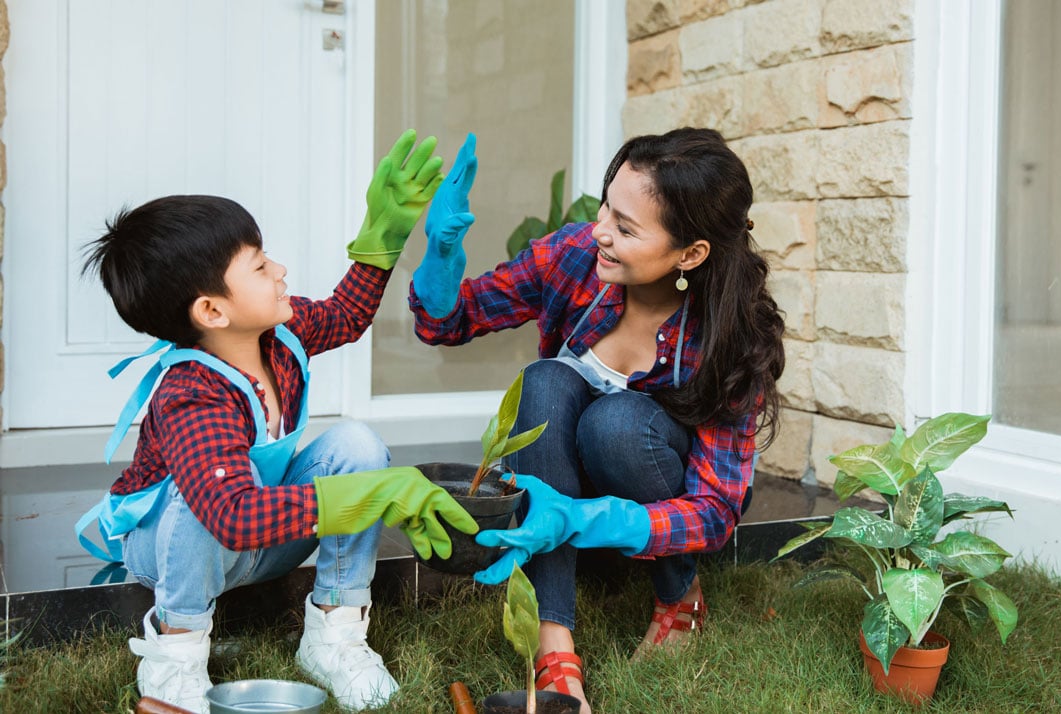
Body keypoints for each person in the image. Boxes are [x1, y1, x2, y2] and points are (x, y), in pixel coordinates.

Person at [75, 130, 479, 713]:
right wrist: (371, 495)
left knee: (357, 445)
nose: (281, 270)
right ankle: (175, 656)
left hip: (257, 532)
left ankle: (334, 633)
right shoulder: (193, 394)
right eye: (261, 266)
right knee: (200, 499)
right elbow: (230, 515)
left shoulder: (279, 337)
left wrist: (384, 233)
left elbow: (346, 314)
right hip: (180, 547)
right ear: (212, 311)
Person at [410, 128, 786, 712]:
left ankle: (678, 595)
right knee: (545, 380)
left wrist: (581, 517)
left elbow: (714, 514)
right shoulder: (576, 258)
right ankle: (554, 651)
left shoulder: (729, 340)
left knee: (613, 422)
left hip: (643, 481)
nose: (599, 233)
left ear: (690, 254)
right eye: (607, 207)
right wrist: (440, 252)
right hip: (557, 473)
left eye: (626, 228)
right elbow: (448, 322)